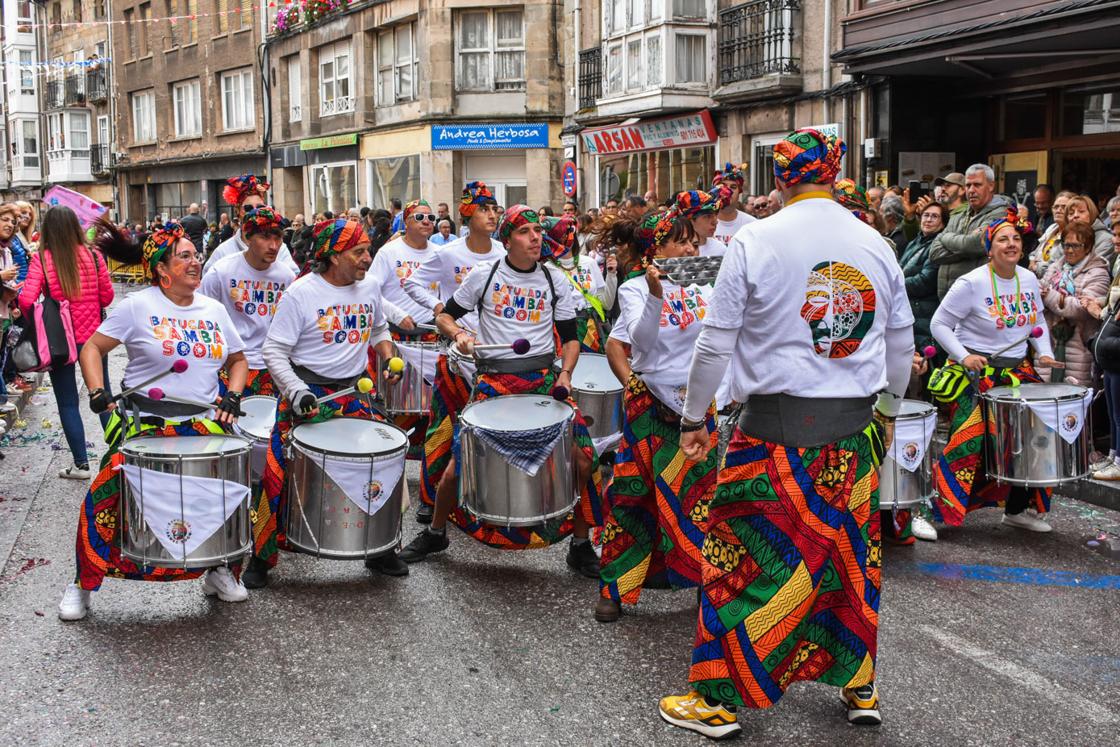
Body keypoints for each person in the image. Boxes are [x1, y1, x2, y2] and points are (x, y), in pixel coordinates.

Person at [658, 129, 913, 738]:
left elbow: (716, 340)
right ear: (832, 175)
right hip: (853, 435)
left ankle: (717, 701)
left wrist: (694, 419)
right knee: (849, 561)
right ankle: (859, 684)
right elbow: (900, 344)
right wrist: (888, 411)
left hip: (771, 434)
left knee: (740, 560)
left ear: (781, 179)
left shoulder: (757, 238)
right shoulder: (874, 243)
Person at [58, 223, 249, 621]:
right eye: (185, 256)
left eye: (195, 254)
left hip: (200, 423)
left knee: (220, 499)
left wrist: (233, 393)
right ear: (161, 270)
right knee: (105, 499)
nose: (195, 261)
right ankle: (82, 584)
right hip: (145, 423)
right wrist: (98, 393)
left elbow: (237, 359)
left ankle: (218, 570)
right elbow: (92, 348)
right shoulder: (137, 306)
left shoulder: (213, 309)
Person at [398, 206, 602, 578]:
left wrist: (566, 375)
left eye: (538, 230)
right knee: (458, 465)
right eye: (525, 231)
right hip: (493, 381)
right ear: (506, 240)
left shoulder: (554, 280)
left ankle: (580, 543)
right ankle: (435, 531)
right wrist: (458, 334)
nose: (536, 237)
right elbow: (446, 315)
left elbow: (571, 340)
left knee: (586, 460)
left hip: (543, 380)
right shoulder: (485, 275)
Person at [249, 219, 408, 587]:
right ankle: (260, 556)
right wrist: (295, 390)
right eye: (359, 251)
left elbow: (380, 328)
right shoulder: (301, 293)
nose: (368, 258)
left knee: (382, 464)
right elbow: (273, 350)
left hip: (353, 393)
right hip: (309, 393)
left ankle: (381, 548)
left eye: (368, 250)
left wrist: (387, 355)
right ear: (333, 256)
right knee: (276, 473)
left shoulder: (368, 288)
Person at [593, 209, 718, 623]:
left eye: (693, 243)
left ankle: (706, 583)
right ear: (656, 248)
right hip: (650, 407)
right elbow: (641, 344)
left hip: (698, 406)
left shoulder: (704, 284)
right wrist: (654, 295)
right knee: (631, 496)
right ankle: (614, 586)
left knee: (699, 498)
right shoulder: (633, 289)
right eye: (681, 241)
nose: (690, 248)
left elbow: (720, 340)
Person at [930, 210, 1063, 534]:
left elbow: (1036, 323)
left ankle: (1017, 510)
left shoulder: (1028, 278)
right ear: (989, 249)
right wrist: (964, 356)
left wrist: (1044, 354)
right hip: (977, 374)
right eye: (1003, 239)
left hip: (1017, 372)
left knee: (1034, 438)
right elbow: (939, 324)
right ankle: (937, 510)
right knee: (968, 440)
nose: (1011, 243)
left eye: (1016, 238)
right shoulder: (971, 283)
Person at [406, 181, 504, 524]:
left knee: (488, 426)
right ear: (467, 214)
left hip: (493, 353)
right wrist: (438, 308)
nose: (491, 215)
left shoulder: (504, 253)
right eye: (483, 209)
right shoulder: (448, 253)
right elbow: (412, 282)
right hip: (455, 350)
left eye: (494, 209)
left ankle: (482, 495)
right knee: (444, 427)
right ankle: (430, 499)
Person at [17, 207, 114, 479]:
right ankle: (121, 451)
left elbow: (26, 300)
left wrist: (37, 321)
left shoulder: (42, 259)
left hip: (60, 342)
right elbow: (106, 298)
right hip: (95, 340)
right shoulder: (94, 256)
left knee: (68, 403)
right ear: (75, 227)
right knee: (103, 394)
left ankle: (81, 465)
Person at [198, 206, 295, 398]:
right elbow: (202, 318)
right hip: (229, 365)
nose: (274, 246)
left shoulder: (286, 277)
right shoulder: (221, 271)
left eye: (278, 238)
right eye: (265, 237)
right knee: (225, 424)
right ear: (247, 236)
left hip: (271, 367)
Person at [1039, 221, 1109, 385]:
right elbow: (1040, 290)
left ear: (1088, 247)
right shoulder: (1056, 267)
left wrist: (1049, 296)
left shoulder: (1098, 272)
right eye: (1066, 245)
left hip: (1079, 349)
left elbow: (1081, 309)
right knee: (1045, 398)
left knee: (1074, 402)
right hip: (1050, 342)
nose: (1069, 250)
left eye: (1076, 246)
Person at [929, 164, 1013, 299]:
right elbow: (934, 252)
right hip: (948, 298)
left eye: (977, 185)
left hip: (979, 297)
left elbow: (975, 244)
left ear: (991, 186)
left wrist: (945, 238)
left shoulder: (1001, 213)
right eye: (968, 185)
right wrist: (967, 250)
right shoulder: (959, 214)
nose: (971, 190)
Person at [541, 215, 616, 352]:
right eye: (558, 238)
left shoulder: (589, 262)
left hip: (593, 332)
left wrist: (611, 275)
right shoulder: (546, 269)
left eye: (566, 236)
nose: (563, 242)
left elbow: (607, 304)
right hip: (563, 332)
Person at [204, 175, 299, 276]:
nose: (255, 212)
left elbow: (293, 280)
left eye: (260, 207)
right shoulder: (224, 251)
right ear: (237, 211)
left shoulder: (278, 248)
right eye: (248, 208)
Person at [1030, 190, 1074, 279]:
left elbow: (1063, 268)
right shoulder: (1052, 228)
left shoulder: (1074, 234)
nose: (1058, 210)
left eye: (1064, 207)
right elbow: (1035, 253)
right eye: (1056, 207)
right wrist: (1031, 261)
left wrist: (1036, 267)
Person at [710, 163, 755, 245]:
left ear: (739, 192)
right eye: (723, 186)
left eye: (733, 187)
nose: (728, 191)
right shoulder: (704, 223)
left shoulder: (751, 224)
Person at [1064, 194, 1114, 263]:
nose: (1075, 215)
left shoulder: (1106, 239)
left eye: (1081, 211)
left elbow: (1095, 265)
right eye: (1071, 213)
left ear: (1091, 214)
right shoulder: (1066, 238)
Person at [675, 189, 724, 257]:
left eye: (715, 215)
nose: (715, 222)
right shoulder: (676, 251)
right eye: (708, 216)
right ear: (690, 220)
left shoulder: (720, 250)